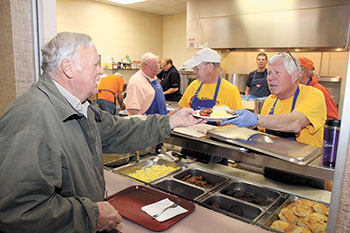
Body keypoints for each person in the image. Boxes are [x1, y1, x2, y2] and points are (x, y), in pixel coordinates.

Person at [0, 32, 203, 233]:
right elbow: (19, 214)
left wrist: (170, 121)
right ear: (68, 68)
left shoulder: (81, 106)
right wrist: (92, 215)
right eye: (94, 65)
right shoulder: (31, 122)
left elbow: (118, 131)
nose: (101, 73)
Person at [222, 52, 327, 189]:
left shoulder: (313, 95)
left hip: (305, 175)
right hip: (273, 171)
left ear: (295, 75)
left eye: (277, 72)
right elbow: (264, 136)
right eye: (269, 73)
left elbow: (295, 123)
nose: (270, 78)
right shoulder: (270, 101)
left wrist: (255, 118)